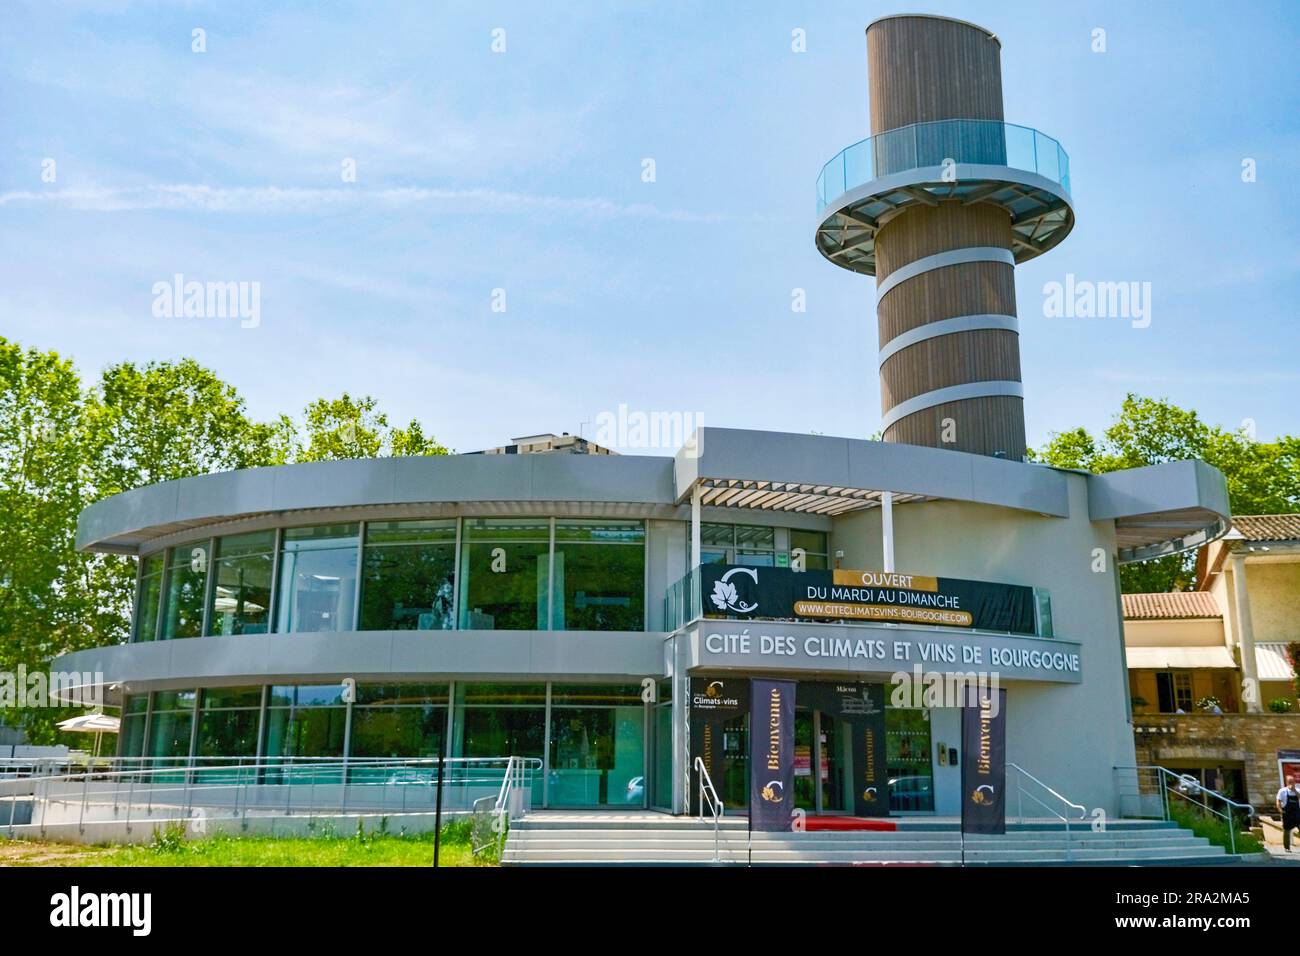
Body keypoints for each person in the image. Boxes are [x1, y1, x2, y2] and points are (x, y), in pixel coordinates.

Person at [1276, 778, 1300, 850]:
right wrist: (1280, 809)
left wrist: (1294, 791)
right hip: (1287, 813)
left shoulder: (1298, 790)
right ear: (1286, 782)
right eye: (1289, 782)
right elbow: (1278, 801)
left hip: (1296, 813)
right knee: (1287, 830)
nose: (1291, 783)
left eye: (1292, 782)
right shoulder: (1282, 791)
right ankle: (1287, 847)